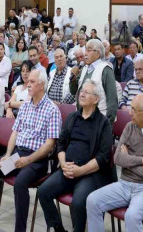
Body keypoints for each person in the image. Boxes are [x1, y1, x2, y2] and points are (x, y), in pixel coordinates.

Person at [0, 69, 61, 232]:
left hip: (36, 161)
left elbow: (50, 145)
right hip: (17, 157)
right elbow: (15, 132)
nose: (28, 84)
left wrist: (28, 160)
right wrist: (8, 155)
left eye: (33, 82)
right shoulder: (26, 105)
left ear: (41, 85)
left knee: (20, 183)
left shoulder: (52, 110)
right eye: (29, 81)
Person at [86, 94, 143, 232]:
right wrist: (142, 160)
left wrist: (128, 161)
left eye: (133, 109)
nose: (129, 112)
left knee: (132, 215)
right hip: (125, 184)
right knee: (92, 200)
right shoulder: (129, 127)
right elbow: (117, 159)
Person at [38, 80, 113, 232]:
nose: (82, 94)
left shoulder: (103, 123)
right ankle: (58, 228)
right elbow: (61, 144)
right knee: (43, 191)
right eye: (81, 91)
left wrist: (81, 170)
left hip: (89, 174)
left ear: (96, 99)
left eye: (87, 92)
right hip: (67, 168)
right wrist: (63, 163)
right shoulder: (73, 117)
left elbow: (103, 156)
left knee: (78, 202)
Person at [70, 39, 119, 122]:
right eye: (85, 50)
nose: (85, 53)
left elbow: (112, 101)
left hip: (98, 122)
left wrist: (107, 125)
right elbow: (73, 92)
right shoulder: (84, 69)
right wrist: (73, 80)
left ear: (98, 54)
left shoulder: (106, 69)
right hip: (81, 119)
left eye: (89, 50)